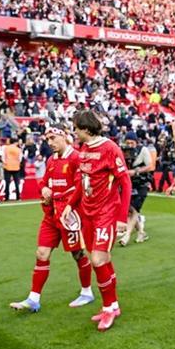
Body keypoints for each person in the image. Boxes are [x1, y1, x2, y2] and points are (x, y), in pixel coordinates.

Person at [10, 126, 94, 312]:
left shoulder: (76, 158)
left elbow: (79, 187)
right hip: (51, 214)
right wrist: (44, 189)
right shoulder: (51, 159)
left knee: (78, 254)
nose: (50, 143)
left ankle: (87, 292)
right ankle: (33, 299)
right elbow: (44, 182)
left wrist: (54, 193)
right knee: (41, 253)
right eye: (47, 139)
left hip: (70, 215)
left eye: (53, 138)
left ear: (64, 137)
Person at [61, 110, 132, 332]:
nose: (74, 132)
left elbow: (125, 182)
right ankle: (113, 305)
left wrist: (121, 218)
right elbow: (82, 183)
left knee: (98, 259)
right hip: (88, 214)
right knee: (101, 260)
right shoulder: (83, 150)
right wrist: (70, 205)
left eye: (76, 128)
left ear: (85, 128)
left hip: (106, 213)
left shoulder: (110, 148)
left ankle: (108, 308)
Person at [118, 132, 152, 246]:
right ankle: (141, 232)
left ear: (136, 142)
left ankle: (127, 235)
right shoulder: (124, 151)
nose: (129, 145)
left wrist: (135, 171)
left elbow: (150, 166)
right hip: (129, 184)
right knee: (130, 209)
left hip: (142, 183)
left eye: (131, 142)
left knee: (135, 209)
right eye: (127, 142)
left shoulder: (143, 150)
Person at [2, 136, 22, 200]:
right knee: (16, 183)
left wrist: (6, 163)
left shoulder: (6, 148)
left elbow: (3, 157)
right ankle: (18, 197)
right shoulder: (18, 149)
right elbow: (20, 159)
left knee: (7, 182)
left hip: (7, 167)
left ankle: (6, 197)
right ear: (15, 142)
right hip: (16, 167)